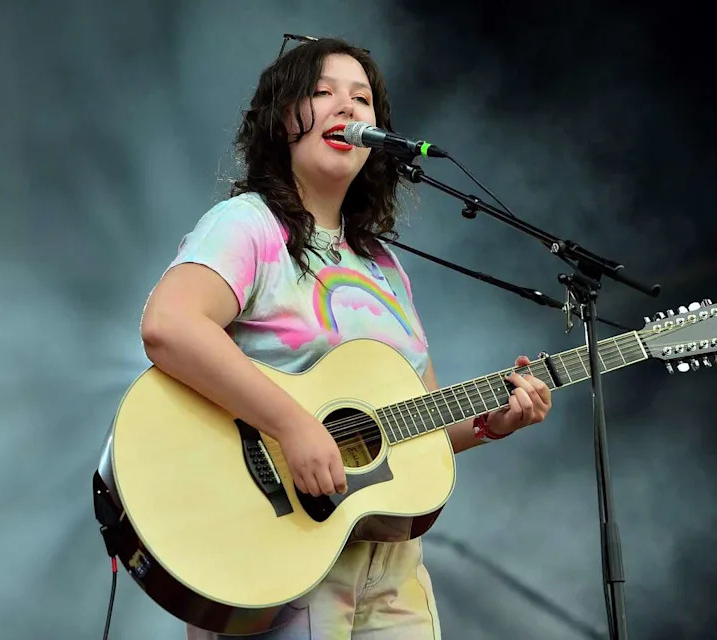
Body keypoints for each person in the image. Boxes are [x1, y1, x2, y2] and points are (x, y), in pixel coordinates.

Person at [140, 36, 553, 640]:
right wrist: (294, 424)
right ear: (283, 120)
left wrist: (495, 421)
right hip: (278, 554)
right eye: (322, 91)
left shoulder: (383, 266)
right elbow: (168, 326)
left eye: (362, 98)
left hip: (389, 568)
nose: (347, 107)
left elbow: (416, 426)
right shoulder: (251, 225)